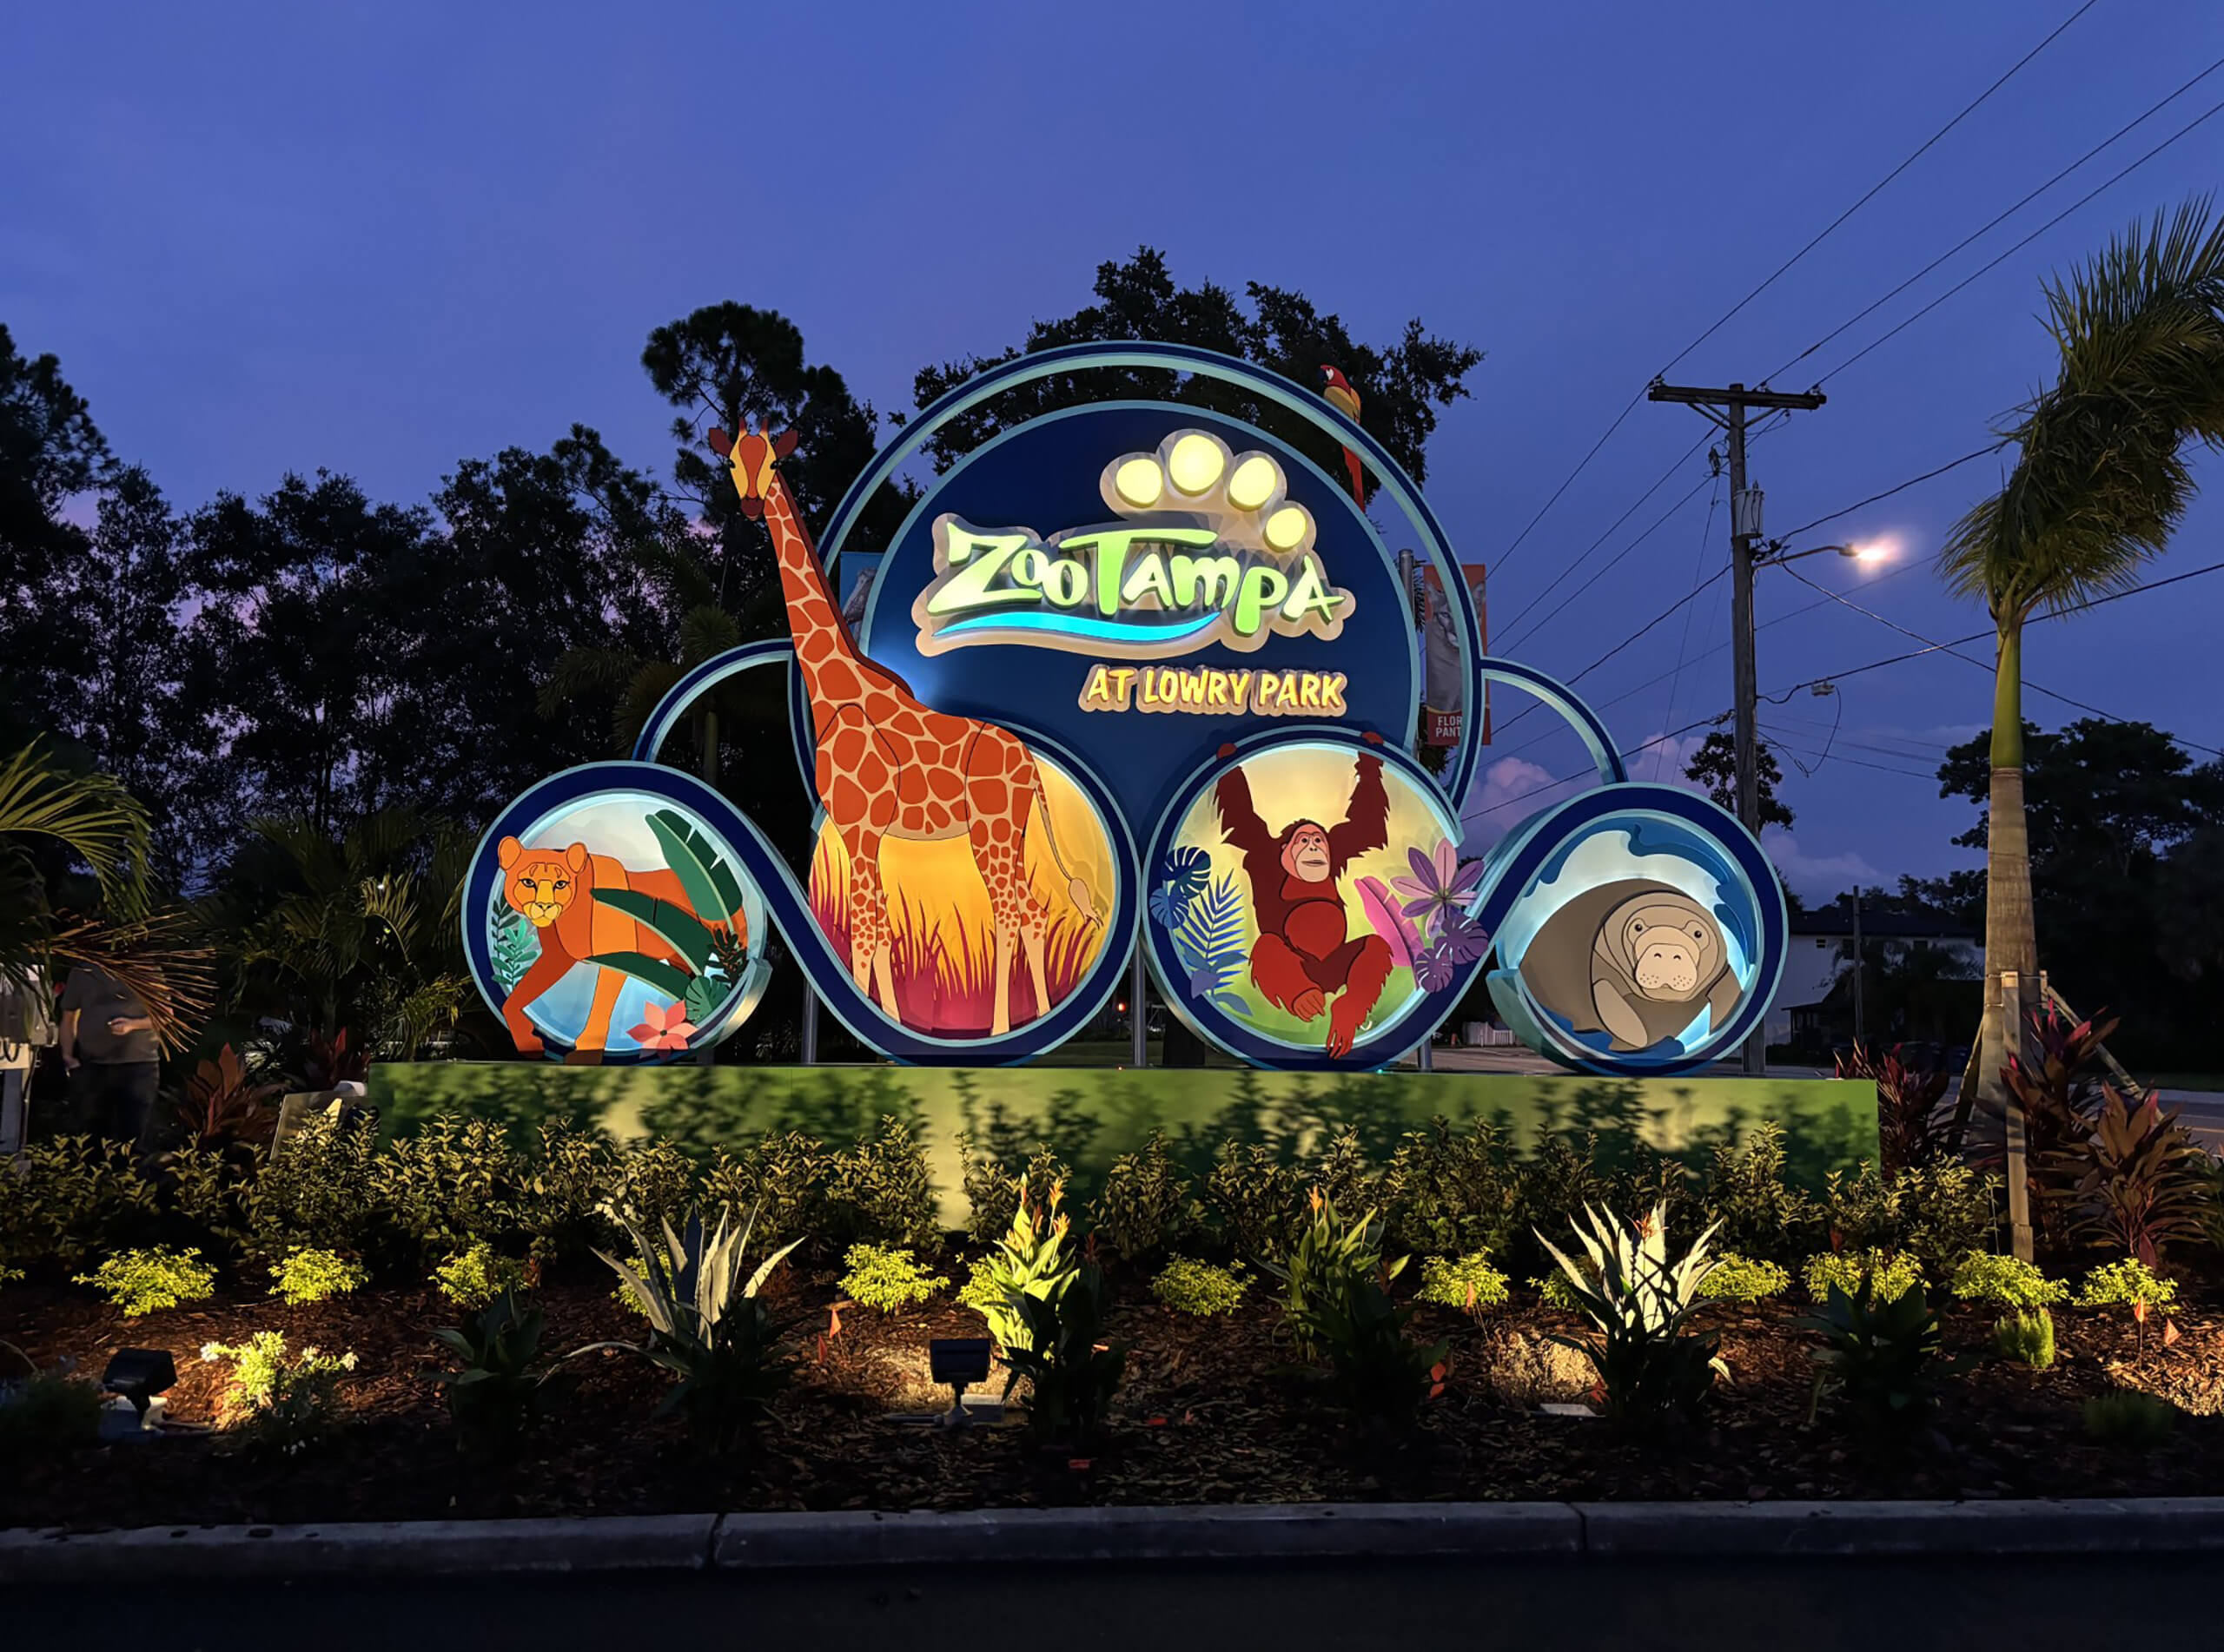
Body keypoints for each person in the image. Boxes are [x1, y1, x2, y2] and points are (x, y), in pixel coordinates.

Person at [59, 962, 160, 1151]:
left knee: (133, 1134)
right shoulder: (83, 971)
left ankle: (129, 1177)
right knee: (91, 1136)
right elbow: (68, 1017)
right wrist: (68, 1056)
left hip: (138, 1066)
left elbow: (165, 1017)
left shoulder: (147, 969)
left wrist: (132, 1025)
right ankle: (92, 1177)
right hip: (93, 1065)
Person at [0, 964, 55, 1163]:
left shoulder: (31, 971)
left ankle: (11, 1162)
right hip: (16, 1047)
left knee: (13, 1108)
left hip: (19, 1049)